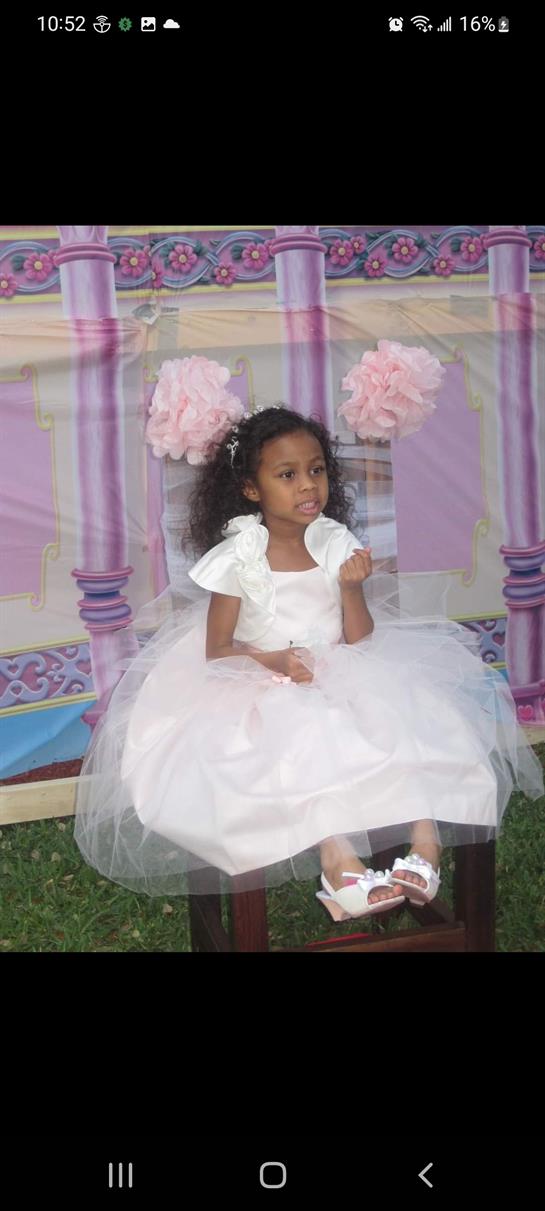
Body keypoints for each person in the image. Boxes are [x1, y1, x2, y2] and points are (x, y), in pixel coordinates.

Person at [74, 406, 544, 921]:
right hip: (258, 680)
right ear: (250, 488)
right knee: (305, 738)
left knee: (407, 724)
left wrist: (351, 589)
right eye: (287, 474)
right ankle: (337, 860)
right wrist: (274, 659)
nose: (307, 485)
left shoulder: (334, 542)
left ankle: (424, 843)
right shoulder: (239, 558)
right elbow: (218, 651)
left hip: (341, 668)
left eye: (316, 469)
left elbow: (360, 640)